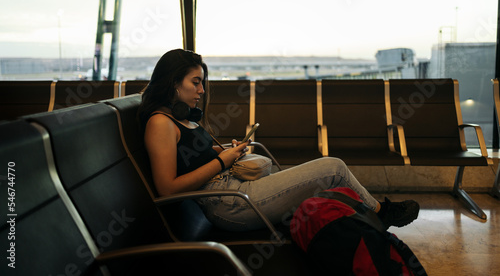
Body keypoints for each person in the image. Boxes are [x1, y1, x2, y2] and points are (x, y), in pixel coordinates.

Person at [138, 49, 419, 232]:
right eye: (195, 82)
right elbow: (166, 188)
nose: (201, 90)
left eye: (202, 83)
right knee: (333, 168)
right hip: (229, 204)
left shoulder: (181, 118)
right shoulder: (160, 123)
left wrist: (224, 151)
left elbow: (189, 156)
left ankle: (360, 224)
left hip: (235, 189)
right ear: (174, 83)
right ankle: (381, 214)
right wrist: (221, 160)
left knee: (304, 182)